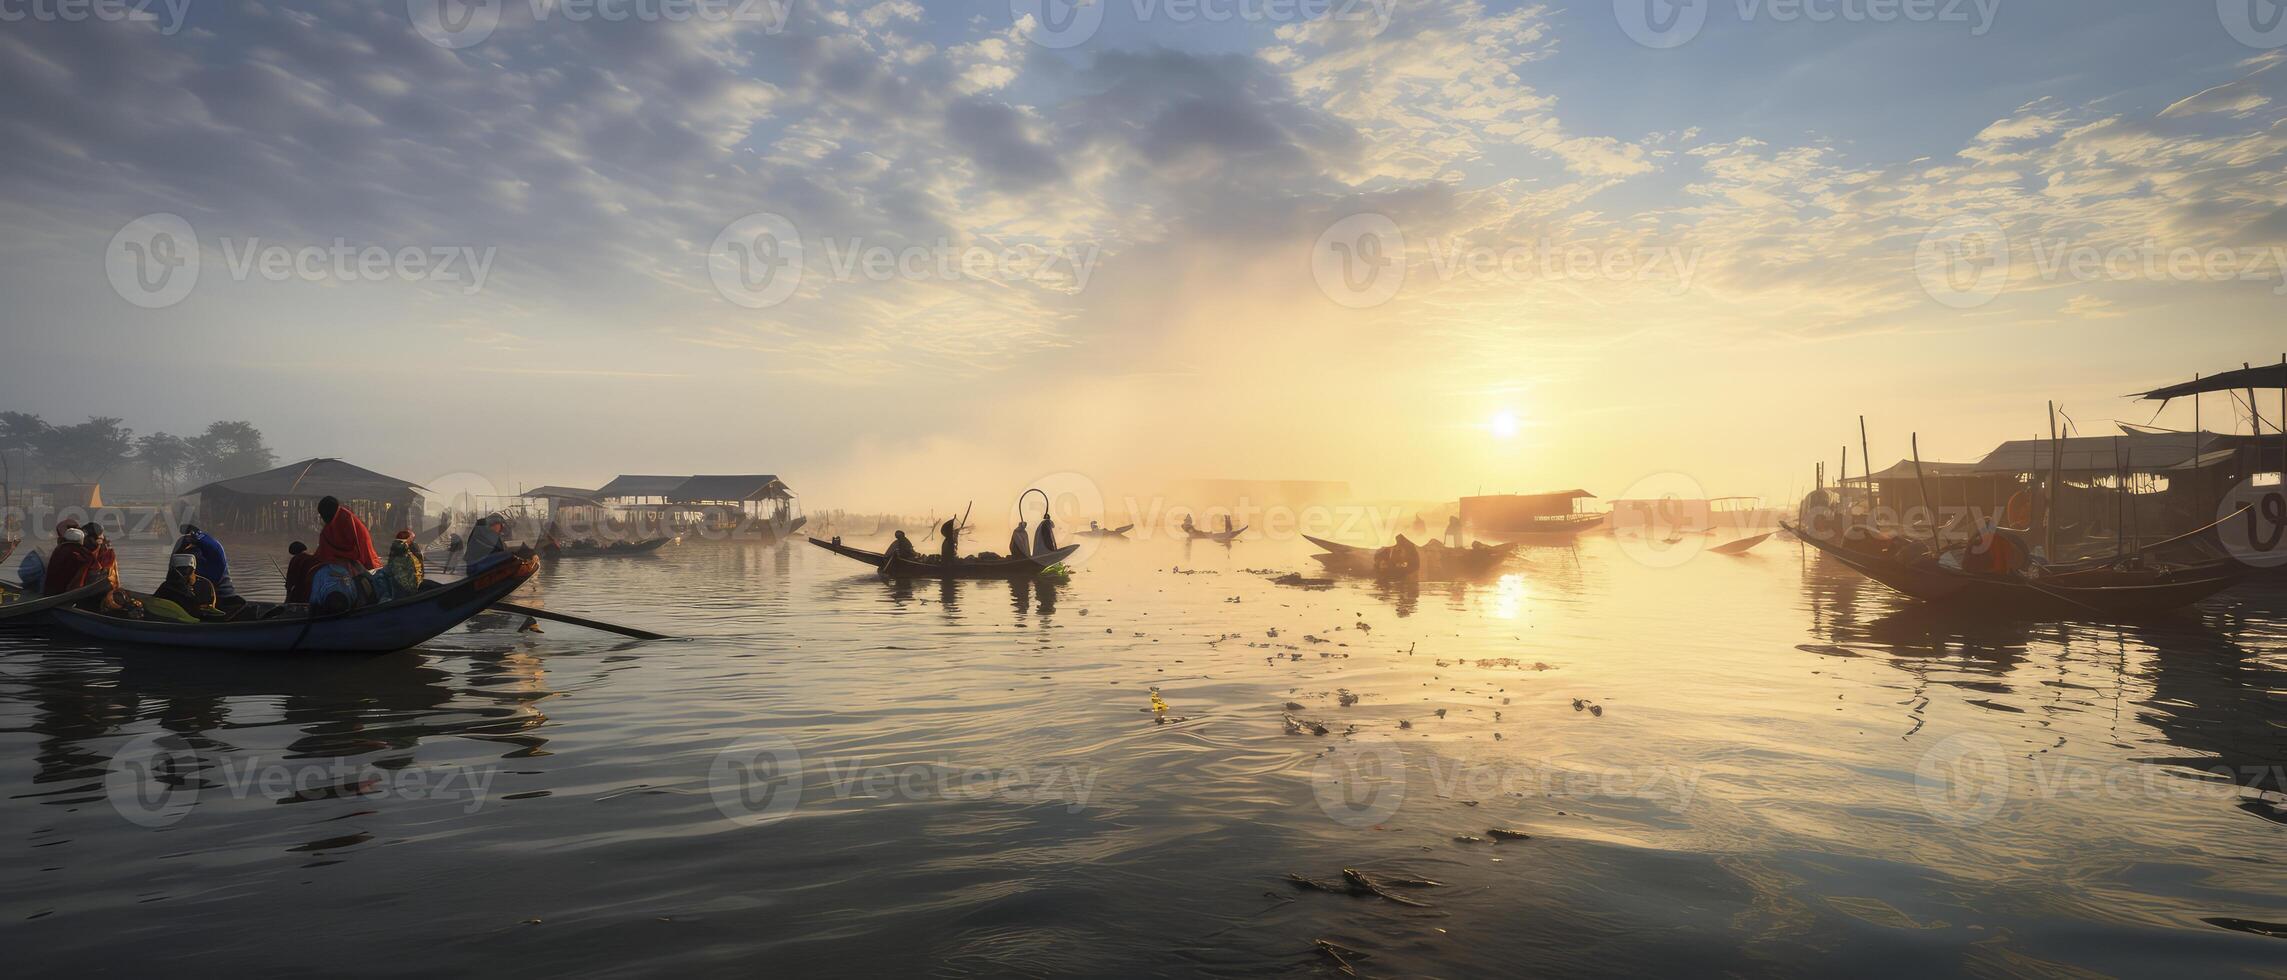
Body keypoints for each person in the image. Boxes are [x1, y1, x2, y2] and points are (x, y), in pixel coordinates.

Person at [175, 523, 243, 610]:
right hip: (195, 603)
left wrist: (197, 535)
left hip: (224, 603)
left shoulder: (213, 560)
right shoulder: (182, 557)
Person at [153, 553, 227, 621]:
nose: (183, 573)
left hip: (200, 621)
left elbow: (209, 608)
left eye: (186, 569)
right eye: (179, 570)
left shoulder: (205, 584)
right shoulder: (167, 586)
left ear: (193, 569)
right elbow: (156, 603)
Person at [41, 526, 95, 597]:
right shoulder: (82, 553)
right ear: (81, 540)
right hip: (69, 593)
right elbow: (91, 562)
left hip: (50, 592)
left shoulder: (58, 550)